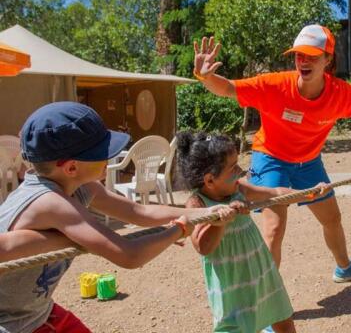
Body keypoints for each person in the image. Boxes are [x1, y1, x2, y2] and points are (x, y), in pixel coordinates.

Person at [193, 25, 351, 283]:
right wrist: (205, 77)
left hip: (308, 161)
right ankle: (267, 298)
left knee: (332, 218)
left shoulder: (339, 93)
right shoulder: (275, 85)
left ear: (328, 59)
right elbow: (228, 88)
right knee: (275, 226)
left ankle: (344, 268)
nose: (303, 61)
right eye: (298, 55)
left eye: (312, 56)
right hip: (271, 157)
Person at [0, 102, 235, 333]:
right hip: (11, 323)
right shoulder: (50, 201)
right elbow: (129, 255)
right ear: (71, 168)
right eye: (103, 153)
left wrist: (203, 213)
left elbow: (139, 212)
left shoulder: (80, 187)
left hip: (38, 312)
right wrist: (178, 230)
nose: (110, 158)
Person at [179, 132, 301, 333]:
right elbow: (203, 247)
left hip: (261, 272)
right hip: (232, 284)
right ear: (210, 180)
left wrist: (310, 192)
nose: (241, 171)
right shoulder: (197, 203)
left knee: (283, 320)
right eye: (232, 168)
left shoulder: (239, 189)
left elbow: (275, 194)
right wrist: (219, 223)